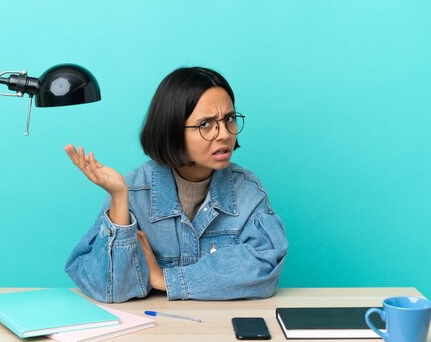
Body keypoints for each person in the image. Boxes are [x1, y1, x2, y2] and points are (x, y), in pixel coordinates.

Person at [64, 67, 288, 303]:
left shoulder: (247, 190)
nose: (224, 134)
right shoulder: (136, 190)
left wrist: (165, 279)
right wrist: (119, 197)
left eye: (229, 119)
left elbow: (264, 268)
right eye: (206, 124)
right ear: (172, 130)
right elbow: (110, 288)